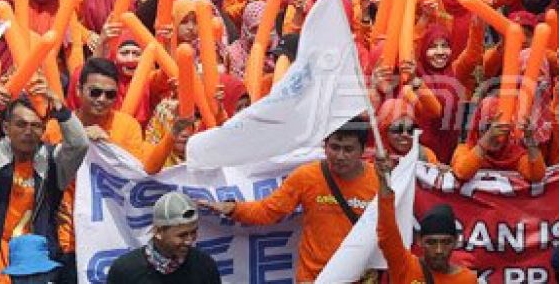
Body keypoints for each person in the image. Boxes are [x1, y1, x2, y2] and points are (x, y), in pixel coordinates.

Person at [197, 118, 377, 282]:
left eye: (348, 149)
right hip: (314, 278)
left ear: (363, 150)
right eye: (334, 147)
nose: (339, 156)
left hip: (360, 278)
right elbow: (268, 211)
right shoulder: (306, 177)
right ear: (325, 146)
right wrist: (231, 208)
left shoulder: (380, 181)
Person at [0, 78, 89, 284]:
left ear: (43, 131)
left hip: (39, 263)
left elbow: (79, 144)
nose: (28, 131)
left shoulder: (53, 162)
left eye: (36, 125)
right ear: (6, 127)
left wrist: (60, 107)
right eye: (21, 124)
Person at [374, 155, 477, 283]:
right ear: (419, 241)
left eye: (446, 242)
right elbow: (387, 232)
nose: (439, 250)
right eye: (431, 242)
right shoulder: (404, 266)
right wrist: (384, 181)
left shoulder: (467, 279)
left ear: (456, 241)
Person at [106, 192, 220, 283]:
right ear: (159, 232)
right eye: (182, 235)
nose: (189, 241)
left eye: (193, 232)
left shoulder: (204, 265)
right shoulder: (125, 270)